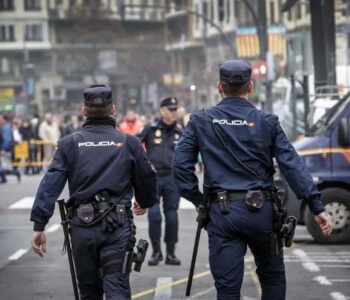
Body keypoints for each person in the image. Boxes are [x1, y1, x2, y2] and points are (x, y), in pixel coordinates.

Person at [173, 60, 333, 300]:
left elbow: (180, 166)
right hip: (263, 215)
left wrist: (200, 201)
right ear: (250, 86)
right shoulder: (267, 122)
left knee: (227, 288)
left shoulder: (201, 121)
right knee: (272, 279)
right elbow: (292, 165)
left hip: (223, 214)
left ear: (219, 87)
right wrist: (316, 205)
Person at [30, 84, 157, 300]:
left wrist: (39, 225)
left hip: (82, 227)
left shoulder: (68, 144)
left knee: (89, 292)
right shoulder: (129, 143)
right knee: (117, 288)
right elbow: (147, 178)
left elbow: (49, 184)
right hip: (117, 227)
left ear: (83, 111)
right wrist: (144, 201)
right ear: (113, 109)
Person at [137, 97, 183, 266]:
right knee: (154, 216)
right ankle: (156, 252)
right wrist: (142, 165)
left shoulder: (180, 132)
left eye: (175, 109)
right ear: (162, 111)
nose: (174, 112)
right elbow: (135, 144)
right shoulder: (150, 129)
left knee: (172, 215)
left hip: (172, 178)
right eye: (170, 109)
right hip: (153, 177)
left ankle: (171, 253)